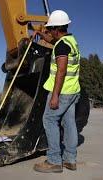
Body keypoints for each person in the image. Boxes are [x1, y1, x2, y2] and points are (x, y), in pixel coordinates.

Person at [33, 10, 81, 173]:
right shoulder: (70, 41)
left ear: (55, 29)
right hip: (73, 90)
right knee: (69, 123)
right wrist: (39, 33)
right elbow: (54, 42)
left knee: (49, 120)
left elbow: (61, 71)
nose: (49, 32)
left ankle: (54, 161)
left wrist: (54, 96)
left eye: (50, 29)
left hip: (62, 92)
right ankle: (70, 160)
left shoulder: (61, 45)